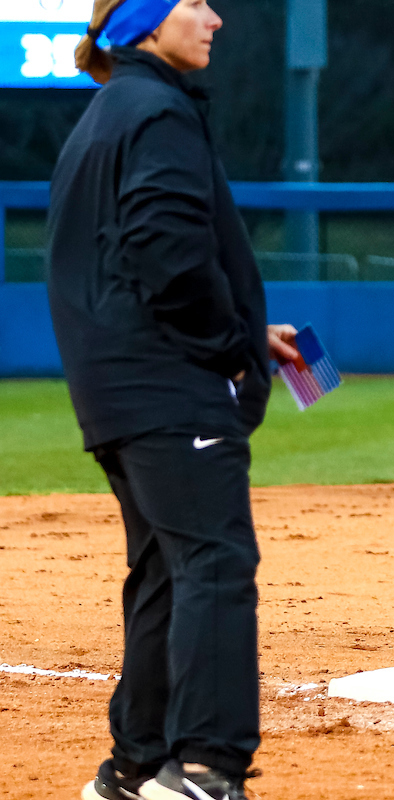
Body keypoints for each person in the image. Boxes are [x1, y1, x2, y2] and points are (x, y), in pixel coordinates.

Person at [48, 2, 298, 798]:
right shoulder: (159, 110)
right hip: (168, 386)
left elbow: (125, 255)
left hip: (118, 384)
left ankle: (133, 768)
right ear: (148, 22)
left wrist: (248, 329)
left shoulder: (109, 110)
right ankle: (201, 770)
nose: (216, 19)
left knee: (165, 569)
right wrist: (228, 344)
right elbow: (164, 248)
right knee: (217, 564)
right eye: (194, 2)